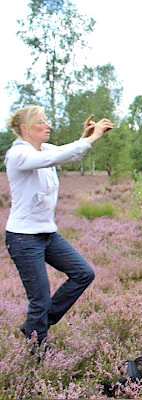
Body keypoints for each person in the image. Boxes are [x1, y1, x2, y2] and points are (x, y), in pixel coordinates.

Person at [4, 105, 114, 350]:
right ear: (24, 128)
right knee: (40, 299)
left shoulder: (44, 149)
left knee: (84, 273)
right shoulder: (19, 154)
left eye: (47, 121)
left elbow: (68, 153)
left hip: (47, 233)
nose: (48, 125)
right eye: (41, 122)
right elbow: (53, 158)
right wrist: (93, 137)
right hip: (23, 238)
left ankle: (37, 325)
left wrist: (85, 138)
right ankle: (37, 350)